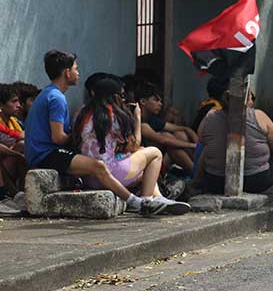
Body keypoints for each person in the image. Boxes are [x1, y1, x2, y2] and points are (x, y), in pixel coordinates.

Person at [23, 50, 168, 215]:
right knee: (98, 165)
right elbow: (58, 137)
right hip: (46, 154)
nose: (78, 73)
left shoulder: (50, 94)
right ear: (66, 72)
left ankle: (154, 198)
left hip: (41, 152)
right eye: (76, 69)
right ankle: (135, 202)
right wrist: (84, 133)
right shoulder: (57, 98)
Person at [73, 78, 189, 215]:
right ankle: (147, 201)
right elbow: (133, 145)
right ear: (115, 97)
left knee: (141, 159)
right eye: (122, 96)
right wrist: (137, 118)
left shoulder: (81, 113)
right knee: (155, 153)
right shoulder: (113, 115)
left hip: (88, 177)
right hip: (109, 174)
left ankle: (158, 197)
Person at [198, 90, 273, 200]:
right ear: (247, 101)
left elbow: (201, 139)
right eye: (251, 98)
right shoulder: (258, 115)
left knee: (207, 148)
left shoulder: (210, 116)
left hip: (215, 182)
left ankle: (196, 182)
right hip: (256, 181)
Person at [135, 82, 198, 174]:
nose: (160, 104)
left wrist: (199, 146)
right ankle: (195, 173)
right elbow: (162, 140)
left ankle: (198, 167)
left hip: (157, 156)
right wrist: (192, 145)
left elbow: (183, 129)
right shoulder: (139, 122)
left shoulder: (152, 119)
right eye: (155, 100)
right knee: (168, 138)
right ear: (143, 101)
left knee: (180, 134)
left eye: (160, 101)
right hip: (141, 160)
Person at [0, 83, 26, 195]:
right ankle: (9, 194)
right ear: (1, 105)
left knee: (23, 146)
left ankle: (22, 193)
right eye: (13, 101)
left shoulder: (14, 121)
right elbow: (20, 136)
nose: (19, 105)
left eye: (18, 101)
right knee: (21, 147)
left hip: (8, 165)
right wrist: (16, 154)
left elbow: (23, 136)